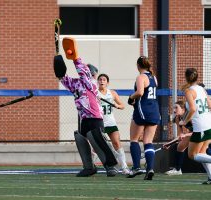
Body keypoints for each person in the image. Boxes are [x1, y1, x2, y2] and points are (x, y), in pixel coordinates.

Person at [60, 37, 118, 177]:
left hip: (94, 116)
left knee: (97, 139)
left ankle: (110, 166)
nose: (93, 75)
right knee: (80, 138)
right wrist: (59, 67)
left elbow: (82, 71)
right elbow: (64, 79)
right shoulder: (77, 84)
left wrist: (75, 58)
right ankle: (89, 167)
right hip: (84, 117)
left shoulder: (90, 83)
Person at [126, 56, 160, 180]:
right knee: (148, 141)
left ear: (138, 65)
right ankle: (150, 168)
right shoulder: (154, 78)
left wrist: (131, 97)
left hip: (142, 110)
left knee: (134, 139)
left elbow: (140, 92)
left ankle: (136, 167)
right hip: (154, 111)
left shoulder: (141, 77)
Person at [179, 68, 211, 184]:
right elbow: (210, 105)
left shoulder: (189, 91)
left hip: (201, 127)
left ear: (186, 77)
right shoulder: (202, 89)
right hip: (208, 124)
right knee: (202, 153)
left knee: (192, 155)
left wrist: (184, 121)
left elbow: (193, 108)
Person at [97, 73, 130, 175]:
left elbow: (122, 105)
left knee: (116, 143)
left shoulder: (112, 93)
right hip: (99, 122)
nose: (102, 81)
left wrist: (116, 105)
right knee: (99, 146)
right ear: (98, 82)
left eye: (104, 80)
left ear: (107, 83)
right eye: (100, 79)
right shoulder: (95, 93)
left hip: (110, 122)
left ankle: (124, 167)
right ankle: (93, 166)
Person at [164, 100, 192, 175]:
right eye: (173, 108)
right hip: (194, 134)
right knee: (180, 146)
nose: (174, 110)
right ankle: (177, 169)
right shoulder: (177, 118)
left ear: (183, 109)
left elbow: (198, 131)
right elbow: (180, 136)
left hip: (203, 133)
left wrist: (185, 135)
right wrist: (169, 144)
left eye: (176, 108)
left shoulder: (190, 117)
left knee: (197, 153)